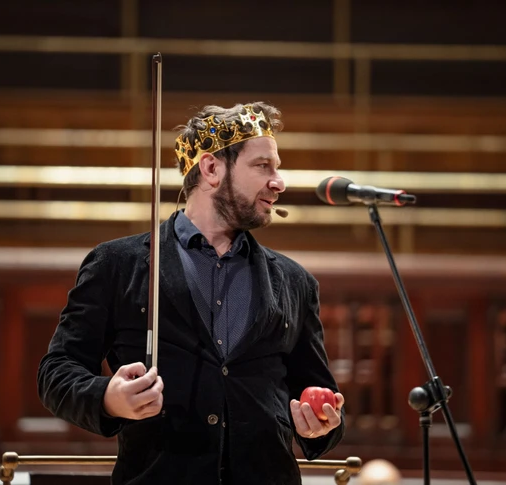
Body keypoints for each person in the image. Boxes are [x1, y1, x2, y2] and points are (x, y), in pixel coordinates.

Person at [37, 102, 345, 485]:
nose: (278, 182)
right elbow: (57, 372)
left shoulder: (295, 281)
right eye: (263, 166)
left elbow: (319, 394)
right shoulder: (117, 264)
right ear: (211, 168)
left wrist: (321, 424)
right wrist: (107, 397)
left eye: (276, 167)